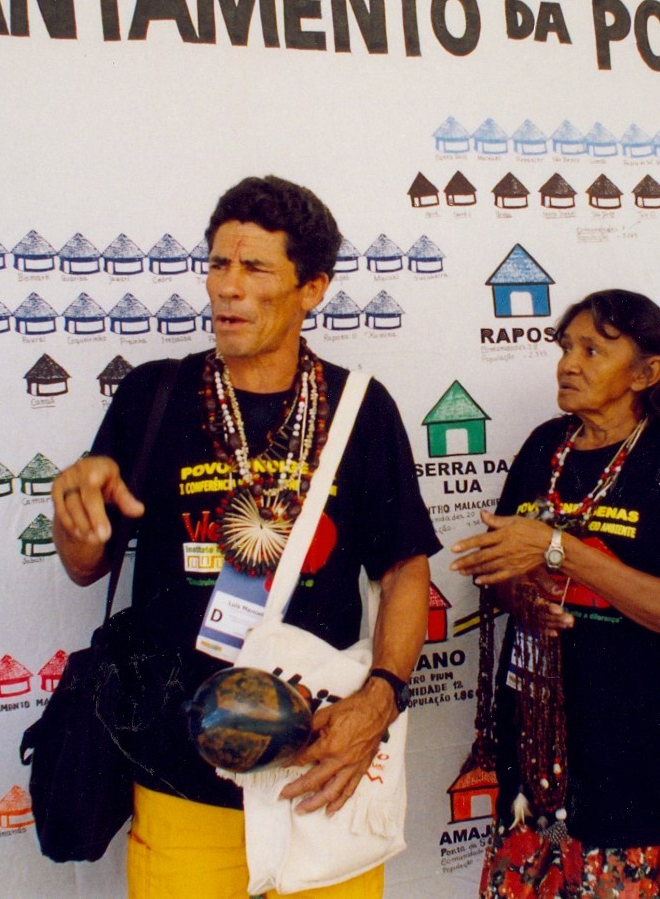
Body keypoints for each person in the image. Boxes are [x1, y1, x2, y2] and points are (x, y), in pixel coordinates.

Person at [52, 175, 439, 898]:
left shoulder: (359, 407)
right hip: (181, 776)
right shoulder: (155, 394)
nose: (226, 287)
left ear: (311, 288)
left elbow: (403, 569)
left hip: (320, 772)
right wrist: (75, 521)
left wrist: (380, 698)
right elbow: (85, 567)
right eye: (217, 264)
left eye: (255, 268)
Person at [451, 289, 660, 898]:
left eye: (593, 350)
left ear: (647, 372)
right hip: (537, 764)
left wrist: (561, 551)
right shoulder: (546, 446)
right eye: (566, 348)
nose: (568, 364)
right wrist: (520, 591)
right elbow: (500, 571)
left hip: (647, 769)